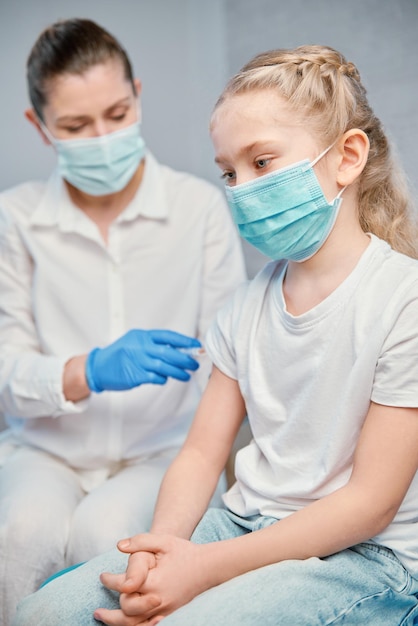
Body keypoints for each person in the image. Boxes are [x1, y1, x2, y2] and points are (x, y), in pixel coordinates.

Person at [12, 43, 418, 626]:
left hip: (361, 556)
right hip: (244, 520)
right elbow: (202, 453)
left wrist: (204, 569)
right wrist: (161, 550)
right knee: (40, 614)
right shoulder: (245, 307)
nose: (242, 188)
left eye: (262, 162)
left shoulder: (402, 300)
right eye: (228, 171)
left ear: (348, 157)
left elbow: (370, 504)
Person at [0, 17, 246, 625]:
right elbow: (5, 368)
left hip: (160, 450)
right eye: (77, 127)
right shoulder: (16, 219)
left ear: (137, 93)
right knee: (16, 535)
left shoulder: (198, 210)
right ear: (40, 126)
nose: (103, 136)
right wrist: (88, 370)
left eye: (116, 113)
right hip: (46, 450)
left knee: (107, 535)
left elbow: (231, 360)